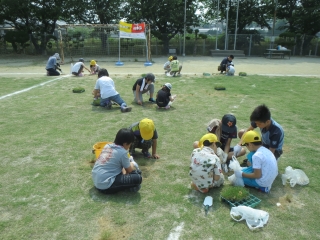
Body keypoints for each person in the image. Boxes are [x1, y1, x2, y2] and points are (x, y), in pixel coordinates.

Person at [92, 128, 142, 194]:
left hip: (97, 181)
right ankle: (127, 187)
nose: (129, 146)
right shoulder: (122, 152)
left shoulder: (107, 146)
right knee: (138, 177)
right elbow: (130, 170)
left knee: (124, 169)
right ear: (125, 144)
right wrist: (132, 163)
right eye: (130, 144)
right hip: (106, 186)